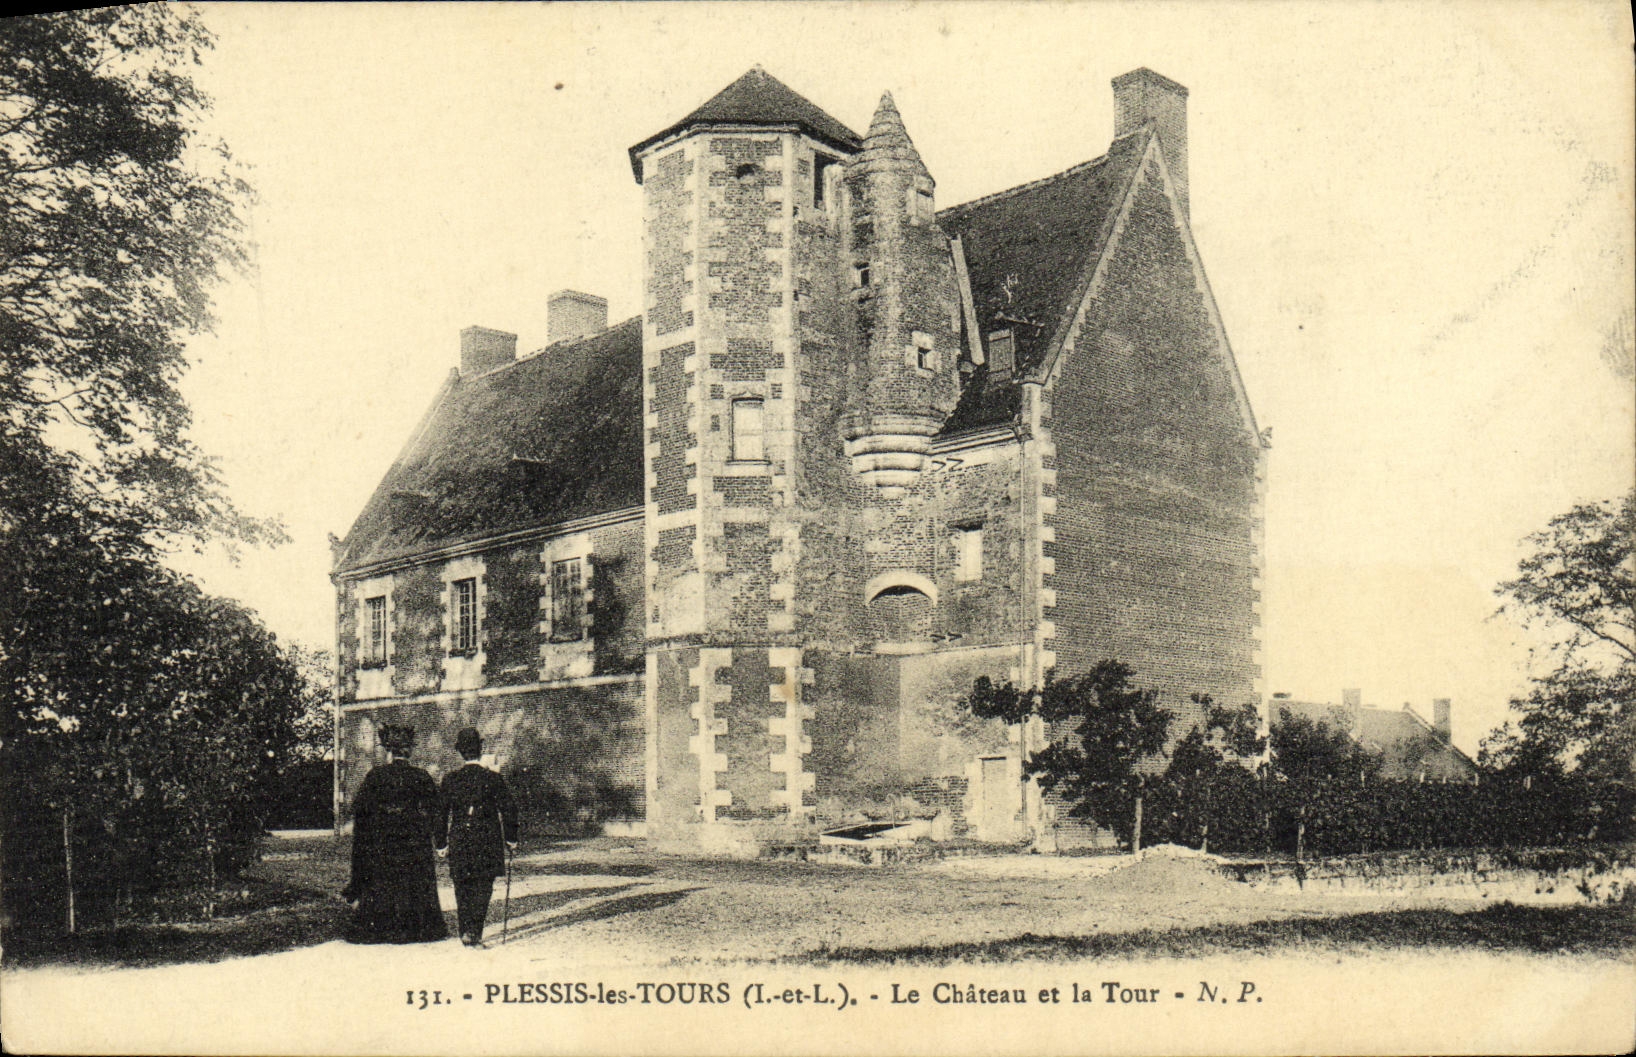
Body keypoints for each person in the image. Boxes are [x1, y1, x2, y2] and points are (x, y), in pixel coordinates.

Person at [341, 724, 447, 944]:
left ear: (387, 750)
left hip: (383, 842)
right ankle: (414, 927)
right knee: (412, 881)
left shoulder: (376, 776)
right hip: (413, 842)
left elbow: (360, 809)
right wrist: (436, 838)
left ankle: (381, 925)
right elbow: (436, 811)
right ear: (409, 750)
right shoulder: (421, 776)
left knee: (382, 880)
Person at [437, 727, 519, 948]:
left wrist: (441, 843)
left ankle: (466, 931)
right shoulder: (493, 779)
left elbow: (440, 813)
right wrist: (511, 839)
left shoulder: (450, 780)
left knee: (462, 885)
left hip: (460, 838)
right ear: (480, 750)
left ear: (460, 752)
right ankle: (474, 932)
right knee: (483, 886)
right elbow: (509, 809)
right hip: (487, 840)